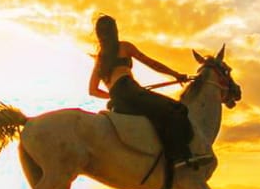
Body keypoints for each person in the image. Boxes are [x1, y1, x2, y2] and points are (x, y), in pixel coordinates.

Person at [89, 14, 212, 172]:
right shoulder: (124, 47)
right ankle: (180, 156)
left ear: (99, 34)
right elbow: (151, 63)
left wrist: (113, 95)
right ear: (115, 31)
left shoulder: (100, 59)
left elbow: (92, 90)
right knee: (177, 109)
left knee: (155, 116)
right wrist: (175, 74)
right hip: (130, 89)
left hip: (118, 100)